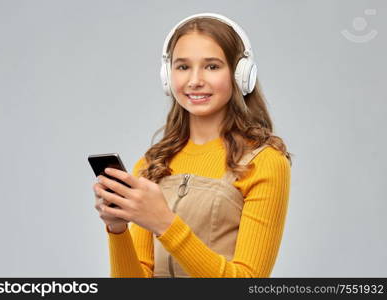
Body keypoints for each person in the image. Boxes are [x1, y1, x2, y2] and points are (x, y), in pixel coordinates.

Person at [93, 12, 292, 278]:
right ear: (168, 75)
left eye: (212, 66)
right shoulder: (151, 166)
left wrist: (164, 223)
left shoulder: (264, 163)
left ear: (240, 74)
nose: (195, 80)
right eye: (183, 66)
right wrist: (117, 229)